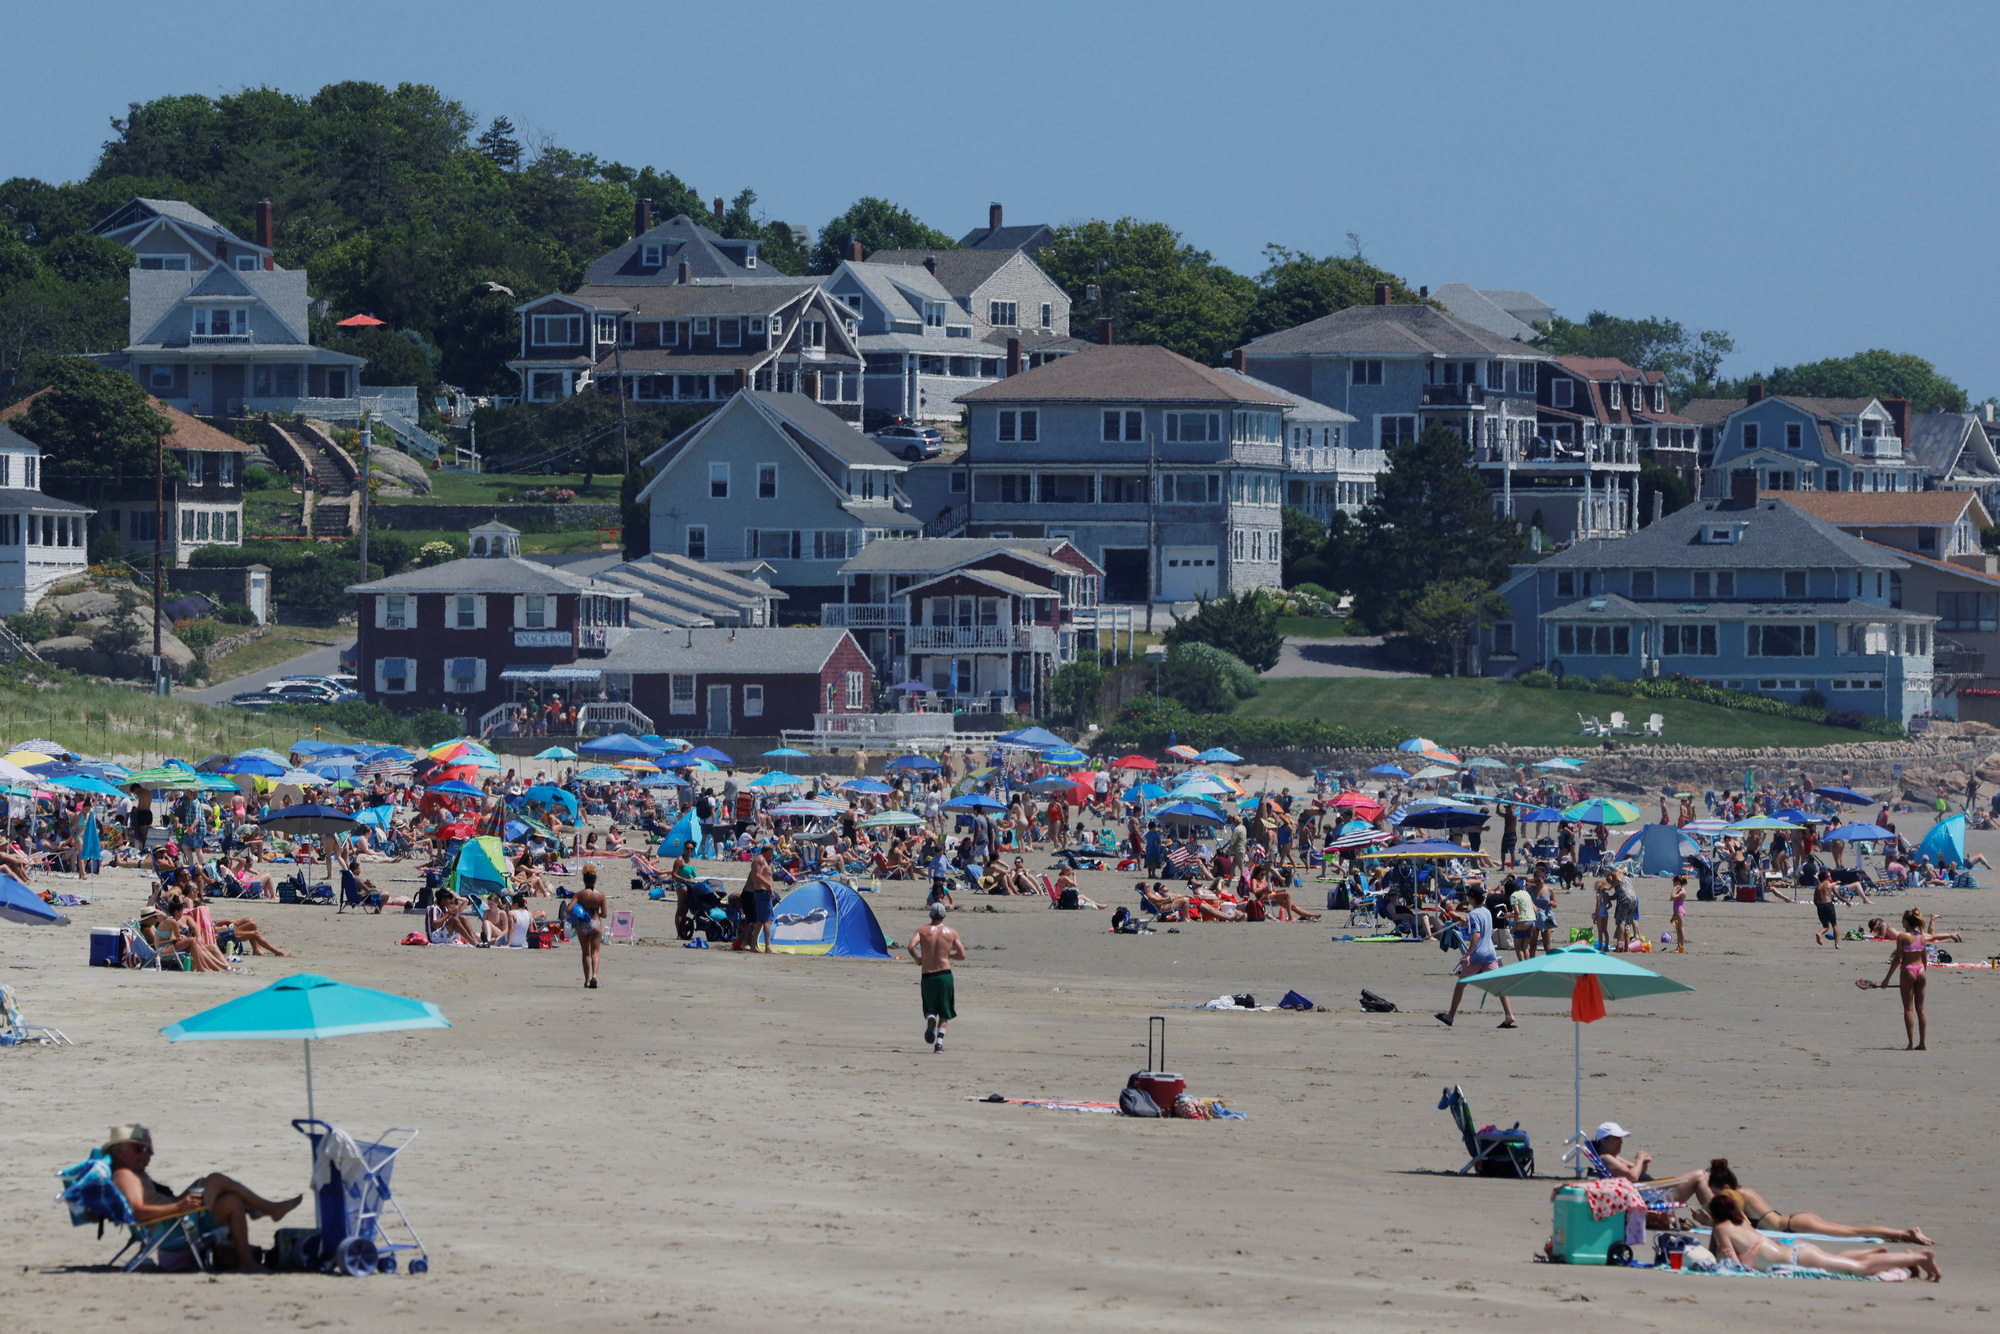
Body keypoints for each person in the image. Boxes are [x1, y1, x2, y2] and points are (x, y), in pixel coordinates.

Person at [103, 1123, 301, 1270]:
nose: (146, 1155)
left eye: (149, 1151)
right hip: (174, 1230)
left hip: (173, 1227)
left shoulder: (132, 1175)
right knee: (215, 1179)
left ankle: (247, 1261)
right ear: (120, 1150)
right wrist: (178, 1207)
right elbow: (138, 1212)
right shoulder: (125, 1176)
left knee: (231, 1200)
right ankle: (269, 1209)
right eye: (139, 1149)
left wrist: (178, 1205)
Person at [1696, 1158, 1932, 1245]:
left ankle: (1905, 1233)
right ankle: (1904, 1234)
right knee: (1851, 1232)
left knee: (1853, 1233)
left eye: (1717, 1193)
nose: (1718, 1198)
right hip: (1796, 1220)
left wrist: (1708, 1222)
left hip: (1795, 1225)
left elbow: (1741, 1226)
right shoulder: (1745, 1192)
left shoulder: (1737, 1196)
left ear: (1726, 1188)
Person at [1707, 1193, 1938, 1280]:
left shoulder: (1721, 1229)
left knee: (1858, 1270)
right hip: (1798, 1251)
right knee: (1840, 1261)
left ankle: (1918, 1258)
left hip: (1797, 1259)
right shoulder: (1741, 1224)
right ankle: (1901, 1255)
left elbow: (1730, 1261)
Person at [1865, 907, 1962, 1049]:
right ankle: (1922, 1043)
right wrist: (1924, 979)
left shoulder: (1902, 937)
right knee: (1921, 1009)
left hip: (1908, 971)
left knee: (1908, 1009)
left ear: (1906, 921)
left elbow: (1897, 959)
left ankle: (1911, 1044)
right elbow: (1924, 960)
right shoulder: (1921, 936)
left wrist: (1886, 980)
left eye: (1902, 920)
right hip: (1921, 971)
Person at [1436, 886, 1517, 1029]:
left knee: (1461, 985)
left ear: (1472, 898)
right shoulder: (1486, 911)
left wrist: (1468, 954)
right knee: (1498, 984)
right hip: (1490, 953)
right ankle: (1509, 1015)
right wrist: (1466, 923)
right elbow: (1480, 926)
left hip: (1478, 955)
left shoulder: (1474, 913)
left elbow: (1477, 934)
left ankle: (1450, 1016)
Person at [907, 902, 965, 1053]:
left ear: (930, 915)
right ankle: (939, 1044)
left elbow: (911, 946)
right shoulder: (951, 932)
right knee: (945, 1011)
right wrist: (950, 955)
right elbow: (962, 955)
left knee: (929, 1008)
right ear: (944, 915)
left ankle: (930, 1017)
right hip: (945, 974)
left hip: (928, 974)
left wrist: (918, 959)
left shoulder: (922, 931)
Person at [570, 882, 606, 987]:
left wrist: (575, 917)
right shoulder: (601, 895)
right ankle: (594, 976)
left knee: (585, 953)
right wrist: (596, 912)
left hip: (583, 924)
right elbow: (604, 914)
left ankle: (587, 981)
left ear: (585, 881)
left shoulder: (579, 895)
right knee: (595, 952)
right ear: (594, 881)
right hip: (595, 923)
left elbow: (569, 909)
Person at [1507, 877, 1538, 960]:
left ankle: (1522, 966)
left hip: (1523, 921)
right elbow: (1535, 908)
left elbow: (1517, 912)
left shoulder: (1513, 896)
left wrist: (1514, 928)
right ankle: (1527, 966)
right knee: (1525, 946)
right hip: (1532, 920)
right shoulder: (1525, 893)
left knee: (1518, 947)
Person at [1811, 871, 1841, 949]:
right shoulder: (1829, 885)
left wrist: (1819, 906)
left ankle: (1820, 933)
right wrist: (1846, 902)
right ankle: (1837, 944)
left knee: (1825, 926)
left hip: (1820, 906)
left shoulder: (1818, 887)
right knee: (1834, 924)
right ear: (1827, 878)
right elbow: (1839, 896)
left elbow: (1814, 900)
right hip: (1828, 905)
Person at [1669, 874, 1688, 953]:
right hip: (1676, 912)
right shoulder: (1679, 891)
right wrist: (1673, 915)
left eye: (1674, 882)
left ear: (1677, 882)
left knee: (1681, 929)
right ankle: (1678, 947)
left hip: (1680, 911)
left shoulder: (1682, 891)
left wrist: (1674, 889)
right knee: (1677, 929)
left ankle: (1681, 947)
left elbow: (1672, 897)